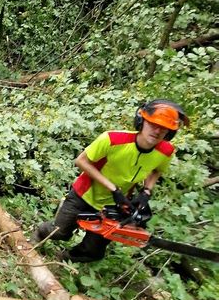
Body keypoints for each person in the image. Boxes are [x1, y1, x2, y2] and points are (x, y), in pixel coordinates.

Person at [34, 99, 188, 262]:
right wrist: (113, 189)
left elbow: (157, 170)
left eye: (163, 129)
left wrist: (147, 191)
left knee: (93, 251)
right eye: (153, 125)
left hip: (115, 205)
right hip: (85, 193)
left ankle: (64, 260)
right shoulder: (113, 139)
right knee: (59, 231)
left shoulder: (166, 151)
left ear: (169, 133)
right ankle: (37, 235)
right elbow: (81, 161)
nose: (157, 131)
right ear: (142, 121)